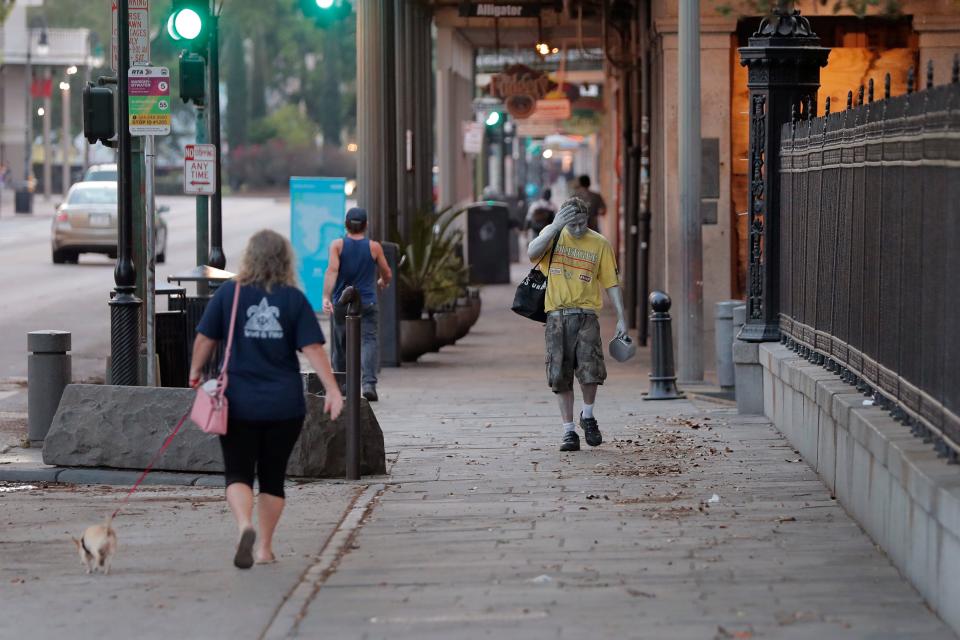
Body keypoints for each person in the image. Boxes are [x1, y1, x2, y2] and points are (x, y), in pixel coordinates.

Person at [190, 229, 344, 569]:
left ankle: (244, 525)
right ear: (285, 260)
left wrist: (195, 372)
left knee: (238, 472)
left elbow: (204, 338)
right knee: (273, 476)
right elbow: (313, 348)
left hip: (237, 402)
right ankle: (264, 549)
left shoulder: (230, 294)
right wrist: (332, 389)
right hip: (283, 405)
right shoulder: (292, 299)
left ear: (249, 258)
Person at [527, 197, 627, 452]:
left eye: (582, 223)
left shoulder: (600, 243)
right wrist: (554, 226)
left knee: (591, 371)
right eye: (573, 225)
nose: (579, 229)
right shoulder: (554, 237)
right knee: (559, 375)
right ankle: (568, 431)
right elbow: (532, 252)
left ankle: (588, 415)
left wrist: (621, 318)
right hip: (557, 316)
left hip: (586, 315)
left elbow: (611, 283)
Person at [322, 207, 393, 402]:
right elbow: (386, 272)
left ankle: (342, 384)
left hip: (342, 302)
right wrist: (383, 282)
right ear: (366, 225)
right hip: (367, 302)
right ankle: (368, 384)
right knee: (368, 340)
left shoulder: (337, 245)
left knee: (340, 342)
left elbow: (332, 271)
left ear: (346, 225)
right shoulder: (374, 247)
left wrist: (326, 297)